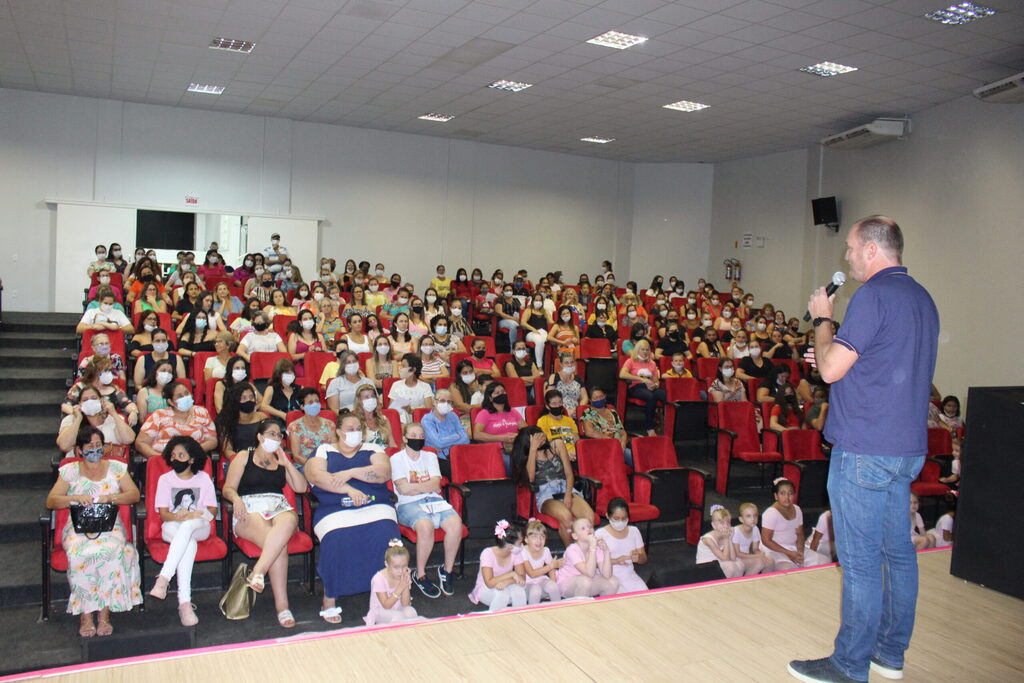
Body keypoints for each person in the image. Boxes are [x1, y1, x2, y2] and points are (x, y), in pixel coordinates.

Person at [787, 217, 940, 683]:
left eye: (852, 248)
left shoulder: (873, 295)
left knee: (859, 561)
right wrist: (827, 342)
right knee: (897, 554)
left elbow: (830, 371)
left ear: (873, 250)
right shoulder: (922, 298)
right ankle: (889, 656)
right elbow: (870, 363)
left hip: (866, 448)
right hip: (905, 447)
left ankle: (849, 664)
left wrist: (821, 320)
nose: (847, 256)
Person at [45, 428, 142, 637]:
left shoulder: (117, 467)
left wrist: (111, 498)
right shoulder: (70, 471)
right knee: (80, 555)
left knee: (113, 552)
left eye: (98, 445)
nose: (94, 450)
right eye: (89, 446)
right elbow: (52, 501)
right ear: (79, 450)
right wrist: (76, 497)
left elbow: (134, 495)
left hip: (109, 526)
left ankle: (105, 613)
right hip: (78, 527)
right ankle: (86, 614)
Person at [305, 412, 398, 624]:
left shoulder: (373, 448)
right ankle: (329, 597)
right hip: (334, 508)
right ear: (338, 431)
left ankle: (389, 594)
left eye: (358, 429)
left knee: (386, 533)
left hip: (375, 504)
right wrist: (348, 489)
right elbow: (317, 476)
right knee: (337, 538)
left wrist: (352, 472)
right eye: (350, 429)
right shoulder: (324, 450)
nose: (355, 433)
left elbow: (383, 472)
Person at [222, 420, 307, 628]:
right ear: (259, 437)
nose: (276, 438)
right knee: (279, 544)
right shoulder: (243, 456)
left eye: (279, 435)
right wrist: (236, 499)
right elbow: (228, 488)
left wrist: (287, 464)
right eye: (271, 434)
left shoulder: (280, 460)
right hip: (248, 507)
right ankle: (282, 606)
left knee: (289, 518)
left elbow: (301, 487)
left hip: (278, 506)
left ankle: (257, 572)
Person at [148, 436, 217, 626]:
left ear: (192, 459)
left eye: (181, 455)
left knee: (189, 527)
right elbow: (163, 515)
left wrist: (195, 514)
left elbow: (212, 510)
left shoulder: (203, 478)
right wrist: (179, 516)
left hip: (199, 525)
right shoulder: (165, 480)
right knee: (189, 542)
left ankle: (164, 578)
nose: (176, 459)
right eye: (173, 455)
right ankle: (184, 603)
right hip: (172, 526)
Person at [391, 423, 463, 598]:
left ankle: (447, 570)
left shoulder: (430, 456)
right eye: (413, 435)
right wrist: (426, 486)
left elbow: (436, 484)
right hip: (408, 504)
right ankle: (420, 573)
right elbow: (403, 490)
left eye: (421, 435)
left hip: (434, 500)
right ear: (405, 438)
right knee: (426, 526)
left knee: (456, 524)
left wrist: (416, 486)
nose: (418, 438)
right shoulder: (396, 459)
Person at [511, 426, 593, 548]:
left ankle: (587, 553)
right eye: (537, 438)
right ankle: (573, 555)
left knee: (588, 517)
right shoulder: (528, 455)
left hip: (566, 487)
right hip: (545, 493)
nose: (542, 439)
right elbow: (531, 479)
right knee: (566, 517)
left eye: (542, 435)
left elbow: (569, 474)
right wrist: (533, 449)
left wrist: (568, 495)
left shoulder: (557, 445)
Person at [762, 478, 830, 573]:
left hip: (793, 547)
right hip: (775, 551)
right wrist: (789, 553)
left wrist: (800, 552)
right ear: (776, 496)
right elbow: (766, 540)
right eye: (783, 493)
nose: (787, 497)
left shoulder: (797, 509)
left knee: (824, 562)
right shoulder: (770, 513)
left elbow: (800, 534)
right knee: (789, 569)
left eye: (790, 493)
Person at [135, 381, 218, 458]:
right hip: (163, 461)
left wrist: (192, 451)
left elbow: (212, 441)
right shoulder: (159, 415)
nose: (185, 397)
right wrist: (160, 458)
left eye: (186, 393)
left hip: (193, 460)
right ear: (171, 402)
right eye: (180, 396)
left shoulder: (202, 412)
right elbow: (141, 443)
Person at [57, 387, 135, 457]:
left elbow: (129, 439)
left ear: (101, 401)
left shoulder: (115, 419)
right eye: (85, 400)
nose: (90, 402)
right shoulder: (70, 420)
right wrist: (78, 419)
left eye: (94, 398)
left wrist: (113, 413)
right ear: (80, 404)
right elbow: (64, 446)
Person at [468, 520, 527, 611]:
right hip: (485, 588)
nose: (522, 545)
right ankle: (494, 621)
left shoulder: (516, 553)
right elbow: (489, 583)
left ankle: (520, 617)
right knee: (502, 594)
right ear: (510, 547)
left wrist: (507, 581)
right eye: (520, 543)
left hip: (506, 585)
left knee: (520, 591)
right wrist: (512, 574)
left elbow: (522, 577)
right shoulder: (487, 553)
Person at [595, 497, 648, 593]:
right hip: (607, 577)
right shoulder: (600, 534)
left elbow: (644, 558)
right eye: (616, 518)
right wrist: (616, 561)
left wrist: (638, 557)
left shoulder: (634, 531)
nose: (620, 522)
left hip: (629, 575)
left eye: (624, 518)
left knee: (645, 595)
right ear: (607, 516)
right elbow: (593, 563)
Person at [556, 517, 619, 598]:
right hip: (567, 583)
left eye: (590, 527)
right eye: (583, 528)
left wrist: (606, 552)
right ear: (575, 536)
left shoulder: (597, 547)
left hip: (586, 580)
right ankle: (580, 608)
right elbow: (590, 573)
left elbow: (607, 575)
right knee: (585, 581)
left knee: (613, 581)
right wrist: (592, 548)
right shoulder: (572, 550)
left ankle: (604, 608)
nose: (588, 529)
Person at [364, 541, 420, 626]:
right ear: (386, 564)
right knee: (399, 616)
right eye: (396, 567)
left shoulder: (404, 575)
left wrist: (405, 585)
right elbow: (386, 605)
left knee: (411, 612)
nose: (401, 571)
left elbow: (405, 604)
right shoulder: (378, 579)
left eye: (404, 566)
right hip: (380, 611)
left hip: (397, 608)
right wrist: (400, 587)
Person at [473, 383, 526, 470]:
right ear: (490, 398)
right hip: (496, 449)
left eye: (503, 391)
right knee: (511, 462)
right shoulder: (484, 413)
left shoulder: (513, 411)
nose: (501, 394)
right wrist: (502, 438)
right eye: (497, 393)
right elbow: (477, 435)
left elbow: (525, 429)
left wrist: (517, 436)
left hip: (516, 446)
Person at [618, 339, 665, 436]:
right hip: (635, 387)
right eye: (642, 349)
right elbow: (622, 374)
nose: (645, 352)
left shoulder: (652, 363)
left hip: (650, 386)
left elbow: (656, 381)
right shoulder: (630, 361)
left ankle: (666, 425)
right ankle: (650, 427)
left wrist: (655, 385)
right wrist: (641, 379)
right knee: (650, 396)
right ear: (637, 350)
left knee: (664, 394)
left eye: (647, 350)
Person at [421, 389, 470, 478]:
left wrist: (447, 444)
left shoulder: (453, 416)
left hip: (457, 454)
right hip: (437, 458)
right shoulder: (427, 420)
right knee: (457, 470)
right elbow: (439, 443)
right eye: (442, 401)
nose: (446, 404)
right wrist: (456, 436)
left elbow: (466, 439)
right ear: (434, 402)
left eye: (449, 402)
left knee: (474, 466)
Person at [286, 388, 335, 470]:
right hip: (305, 465)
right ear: (302, 406)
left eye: (317, 401)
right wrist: (316, 466)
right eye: (310, 402)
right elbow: (296, 456)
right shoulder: (295, 427)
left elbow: (335, 448)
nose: (315, 404)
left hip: (329, 464)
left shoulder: (330, 424)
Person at [579, 388, 630, 466]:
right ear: (590, 400)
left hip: (619, 446)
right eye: (596, 398)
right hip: (603, 446)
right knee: (635, 458)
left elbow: (623, 433)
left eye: (601, 396)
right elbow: (589, 432)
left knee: (637, 454)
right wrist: (612, 441)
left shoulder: (612, 412)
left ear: (605, 396)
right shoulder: (589, 413)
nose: (599, 399)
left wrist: (622, 444)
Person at [696, 505, 748, 578]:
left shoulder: (725, 535)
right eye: (722, 523)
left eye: (728, 522)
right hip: (705, 567)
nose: (726, 526)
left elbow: (733, 558)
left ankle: (735, 586)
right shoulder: (708, 539)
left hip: (719, 564)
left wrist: (730, 539)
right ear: (714, 525)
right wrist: (726, 539)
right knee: (730, 566)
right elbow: (725, 559)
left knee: (740, 564)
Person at [516, 520, 561, 604]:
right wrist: (551, 566)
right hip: (527, 584)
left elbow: (552, 570)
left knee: (553, 587)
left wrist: (553, 581)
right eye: (534, 537)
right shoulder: (523, 551)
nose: (539, 541)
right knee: (535, 591)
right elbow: (532, 574)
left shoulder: (546, 550)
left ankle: (558, 609)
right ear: (526, 539)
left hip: (540, 581)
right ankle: (532, 614)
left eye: (542, 537)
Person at [387, 354, 434, 424]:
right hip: (400, 422)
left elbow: (429, 410)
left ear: (413, 369)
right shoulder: (396, 385)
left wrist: (412, 411)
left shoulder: (425, 387)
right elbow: (391, 410)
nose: (400, 369)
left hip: (420, 422)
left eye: (403, 366)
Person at [537, 389, 580, 460]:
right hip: (555, 456)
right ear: (547, 406)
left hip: (573, 454)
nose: (557, 406)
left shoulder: (569, 420)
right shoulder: (542, 421)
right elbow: (544, 443)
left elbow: (576, 440)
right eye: (554, 403)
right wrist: (565, 453)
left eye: (560, 402)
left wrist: (575, 452)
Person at [732, 502, 773, 575]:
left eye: (755, 515)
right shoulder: (736, 531)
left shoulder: (755, 529)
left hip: (745, 557)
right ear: (741, 519)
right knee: (759, 563)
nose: (753, 519)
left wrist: (761, 554)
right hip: (735, 559)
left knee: (769, 561)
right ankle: (746, 582)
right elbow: (737, 553)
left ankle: (763, 579)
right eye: (748, 516)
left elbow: (755, 549)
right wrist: (756, 556)